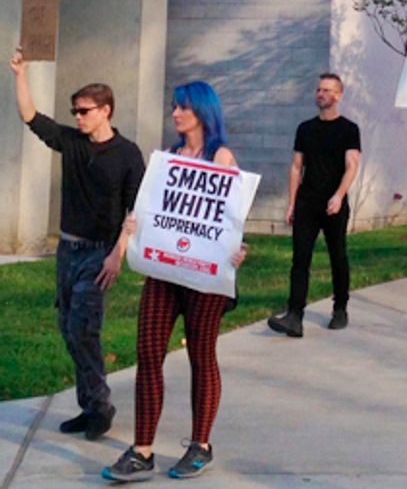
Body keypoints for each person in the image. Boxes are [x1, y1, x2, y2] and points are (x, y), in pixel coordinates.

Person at [102, 82, 247, 481]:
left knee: (202, 356)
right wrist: (134, 228)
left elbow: (229, 220)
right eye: (174, 108)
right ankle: (142, 449)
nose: (175, 114)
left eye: (182, 108)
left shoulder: (221, 157)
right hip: (164, 272)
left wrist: (238, 249)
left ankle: (201, 445)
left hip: (204, 277)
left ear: (202, 111)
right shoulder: (167, 158)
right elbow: (154, 208)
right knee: (148, 352)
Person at [10, 50, 144, 442]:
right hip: (67, 251)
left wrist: (118, 253)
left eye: (85, 111)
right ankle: (90, 406)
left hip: (100, 252)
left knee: (84, 328)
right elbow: (30, 116)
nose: (78, 117)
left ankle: (99, 406)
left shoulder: (128, 154)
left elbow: (134, 210)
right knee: (68, 329)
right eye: (75, 111)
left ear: (106, 110)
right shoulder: (72, 142)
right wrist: (21, 73)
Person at [268, 74, 361, 337]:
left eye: (327, 90)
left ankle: (340, 307)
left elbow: (352, 165)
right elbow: (296, 167)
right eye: (318, 89)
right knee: (300, 258)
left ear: (338, 96)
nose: (321, 94)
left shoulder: (348, 129)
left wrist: (339, 195)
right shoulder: (305, 128)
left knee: (337, 255)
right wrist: (292, 203)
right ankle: (294, 315)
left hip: (334, 203)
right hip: (307, 202)